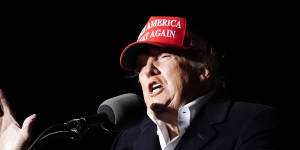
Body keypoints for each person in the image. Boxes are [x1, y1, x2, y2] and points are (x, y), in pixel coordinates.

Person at [0, 16, 280, 150]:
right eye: (141, 65)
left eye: (164, 56)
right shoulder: (128, 140)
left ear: (203, 71)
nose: (148, 70)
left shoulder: (254, 122)